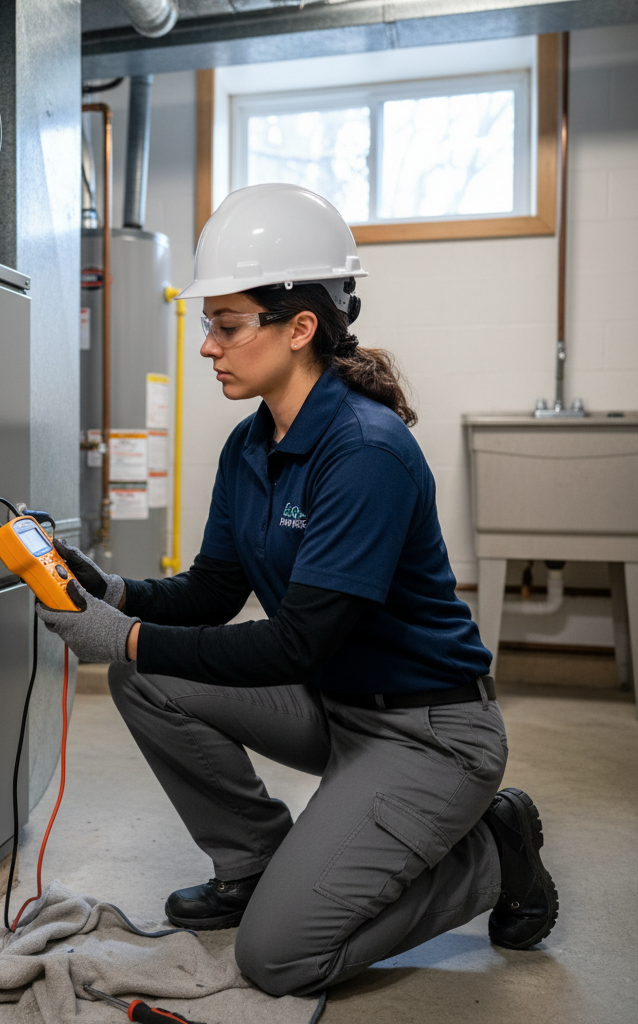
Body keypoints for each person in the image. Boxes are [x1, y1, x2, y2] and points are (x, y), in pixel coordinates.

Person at [36, 183, 558, 996]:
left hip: (428, 731)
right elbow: (213, 591)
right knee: (152, 678)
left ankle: (493, 857)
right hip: (336, 705)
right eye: (209, 324)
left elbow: (296, 642)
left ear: (300, 327)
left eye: (228, 324)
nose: (208, 346)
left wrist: (120, 636)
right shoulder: (251, 445)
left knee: (278, 959)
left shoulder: (364, 452)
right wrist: (117, 591)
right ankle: (253, 864)